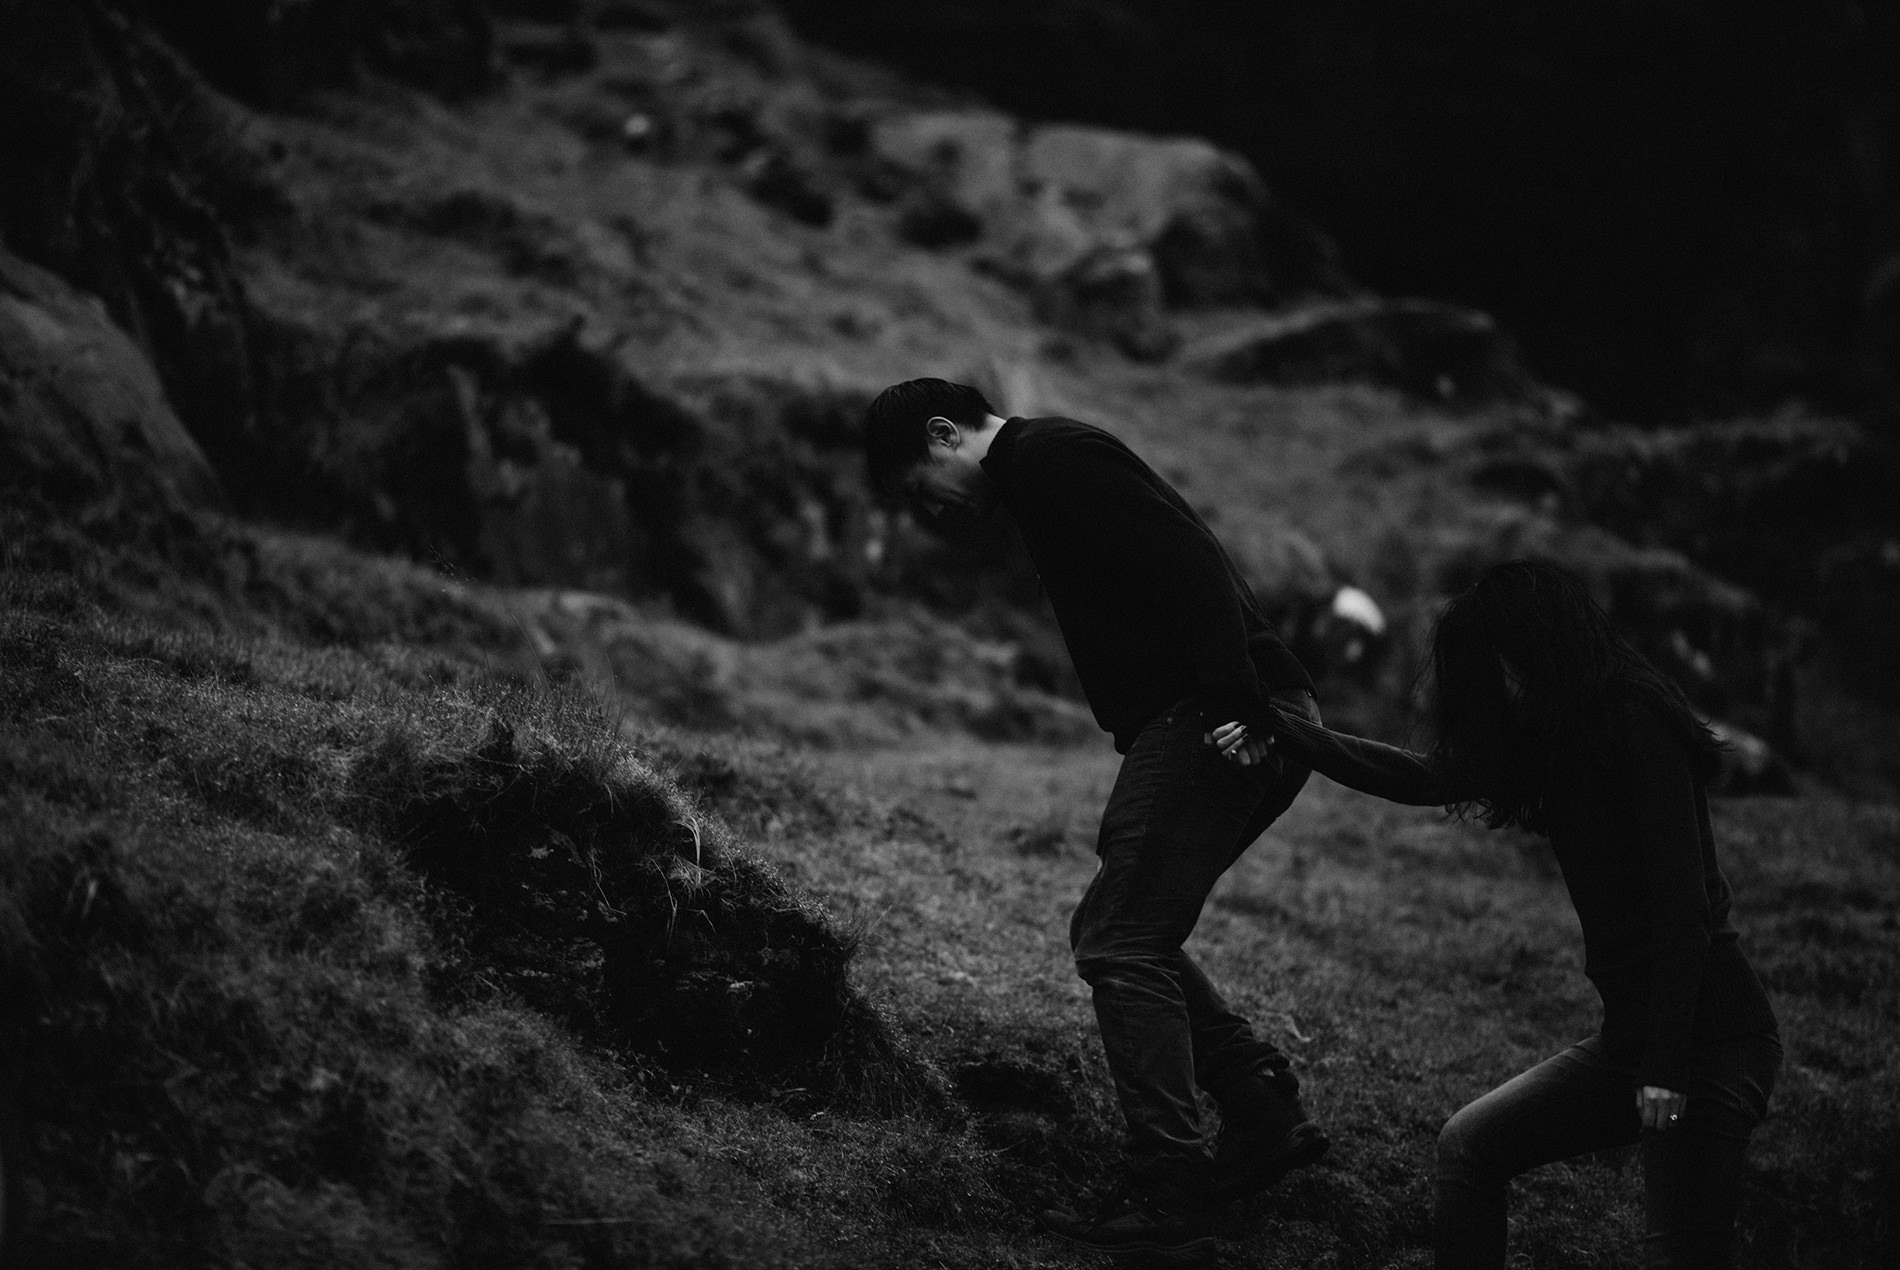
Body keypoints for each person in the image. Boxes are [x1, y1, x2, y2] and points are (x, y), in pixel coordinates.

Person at [863, 379, 1329, 1263]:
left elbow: (1187, 554)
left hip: (1219, 711)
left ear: (942, 433)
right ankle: (1256, 1103)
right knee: (1114, 924)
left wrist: (1233, 694)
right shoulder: (1044, 471)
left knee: (1120, 942)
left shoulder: (1047, 457)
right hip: (1217, 708)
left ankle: (1173, 1185)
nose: (939, 512)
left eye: (925, 489)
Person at [1226, 559, 1780, 1269]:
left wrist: (1666, 1066)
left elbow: (1685, 910)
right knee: (1470, 1145)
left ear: (1537, 647)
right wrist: (1285, 726)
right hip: (1635, 1041)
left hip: (1711, 1041)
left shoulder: (1638, 718)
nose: (1499, 691)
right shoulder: (1550, 737)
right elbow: (1417, 776)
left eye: (1502, 669)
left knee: (1679, 1253)